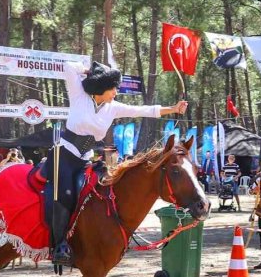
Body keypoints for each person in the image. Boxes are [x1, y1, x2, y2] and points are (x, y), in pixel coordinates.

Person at [47, 60, 188, 266]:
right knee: (66, 194)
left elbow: (144, 110)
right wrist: (91, 70)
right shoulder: (79, 95)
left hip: (86, 159)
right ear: (101, 86)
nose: (116, 92)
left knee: (102, 194)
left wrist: (173, 109)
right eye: (113, 87)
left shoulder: (113, 108)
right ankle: (59, 245)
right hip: (64, 155)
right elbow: (69, 67)